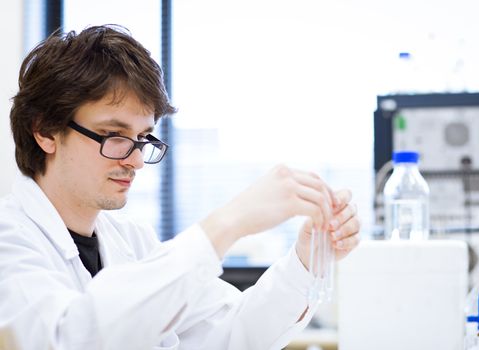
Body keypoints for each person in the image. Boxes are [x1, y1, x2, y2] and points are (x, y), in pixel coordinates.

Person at [0, 25, 360, 350]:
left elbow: (236, 332)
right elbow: (69, 337)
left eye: (142, 138)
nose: (136, 160)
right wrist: (229, 222)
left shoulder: (133, 241)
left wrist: (306, 258)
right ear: (46, 131)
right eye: (113, 135)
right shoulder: (10, 240)